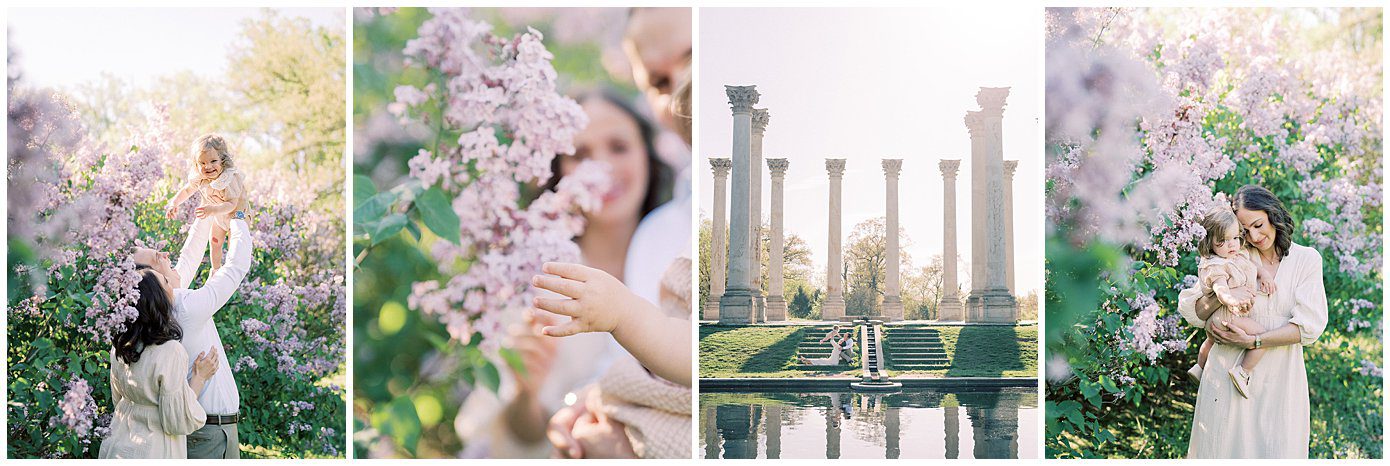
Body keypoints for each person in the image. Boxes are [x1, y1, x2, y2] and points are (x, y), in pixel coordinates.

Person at [456, 89, 673, 459]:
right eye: (580, 155)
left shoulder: (677, 255)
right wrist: (527, 391)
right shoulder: (531, 275)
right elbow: (519, 436)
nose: (600, 168)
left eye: (618, 147)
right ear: (559, 172)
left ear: (649, 159)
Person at [1177, 185, 1328, 458]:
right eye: (1245, 231)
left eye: (1259, 225)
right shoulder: (1233, 255)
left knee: (1277, 448)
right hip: (1225, 371)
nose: (1255, 237)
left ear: (1273, 215)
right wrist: (1223, 297)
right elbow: (1196, 312)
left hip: (1281, 377)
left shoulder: (1306, 260)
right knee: (1221, 448)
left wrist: (1253, 340)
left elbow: (1308, 327)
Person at [133, 214, 253, 459]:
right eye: (159, 258)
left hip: (212, 430)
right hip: (207, 433)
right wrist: (237, 216)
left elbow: (190, 255)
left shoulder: (165, 305)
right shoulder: (183, 306)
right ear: (153, 282)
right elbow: (237, 267)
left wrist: (208, 206)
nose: (167, 255)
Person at [98, 266, 221, 459]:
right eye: (165, 282)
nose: (172, 285)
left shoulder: (121, 346)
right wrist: (200, 377)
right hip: (153, 449)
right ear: (157, 298)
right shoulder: (170, 351)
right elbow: (177, 421)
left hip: (117, 444)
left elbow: (118, 400)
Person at [1186, 207, 1275, 398]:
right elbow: (1220, 289)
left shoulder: (1238, 255)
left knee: (1210, 339)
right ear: (1210, 244)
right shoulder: (1216, 265)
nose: (1231, 244)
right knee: (1263, 336)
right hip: (1228, 317)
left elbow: (1254, 267)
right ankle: (1242, 372)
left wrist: (1265, 274)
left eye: (1235, 238)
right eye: (1223, 242)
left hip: (1218, 319)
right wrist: (1230, 298)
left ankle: (1199, 367)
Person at [165, 134, 248, 274]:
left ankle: (230, 270)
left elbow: (231, 204)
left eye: (213, 161)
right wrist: (175, 202)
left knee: (234, 243)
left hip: (237, 216)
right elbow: (187, 190)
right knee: (215, 241)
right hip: (219, 216)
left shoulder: (229, 179)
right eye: (202, 163)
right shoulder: (201, 178)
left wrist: (212, 210)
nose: (208, 166)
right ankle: (215, 269)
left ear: (222, 160)